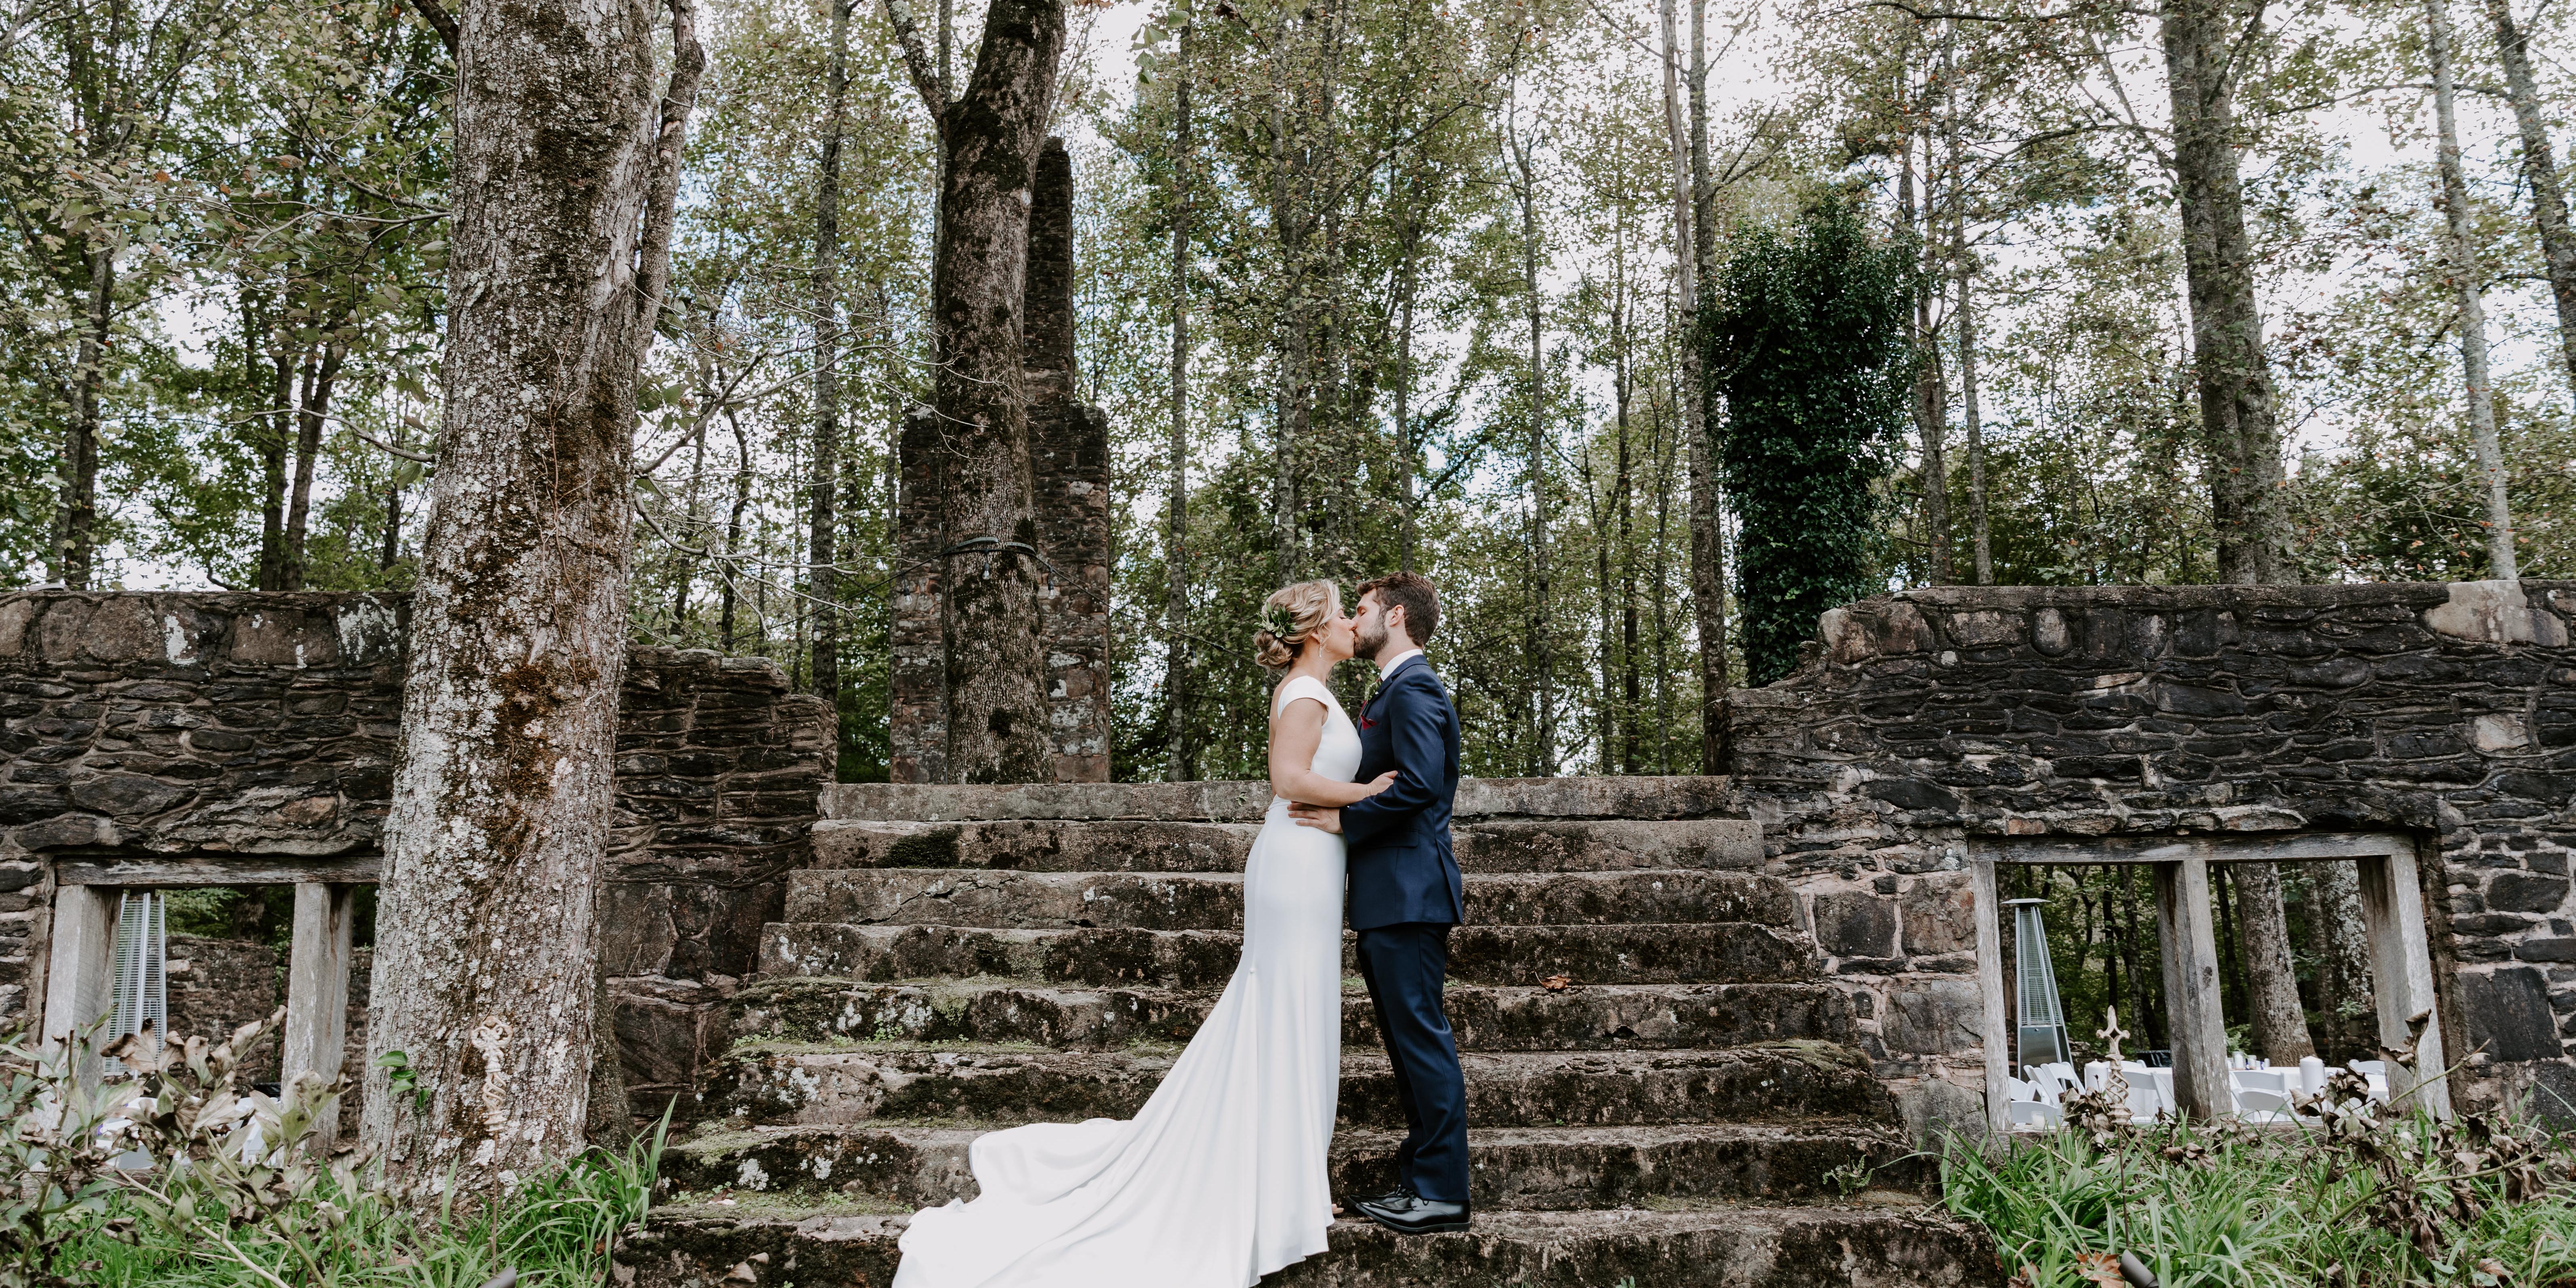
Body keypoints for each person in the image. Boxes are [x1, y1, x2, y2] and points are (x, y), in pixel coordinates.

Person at [891, 580, 1394, 1288]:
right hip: (1295, 867)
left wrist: (1346, 814)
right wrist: (1370, 796)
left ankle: (1285, 1174)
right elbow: (1288, 779)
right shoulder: (1304, 695)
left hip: (1314, 863)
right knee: (1283, 1007)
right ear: (1315, 630)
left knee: (1296, 1009)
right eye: (1342, 612)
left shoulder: (1319, 690)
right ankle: (1274, 1185)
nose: (1351, 623)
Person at [1287, 571, 1468, 1236]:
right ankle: (1421, 1180)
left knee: (1422, 1044)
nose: (1354, 619)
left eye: (1361, 609)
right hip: (1390, 896)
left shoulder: (1415, 687)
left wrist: (1345, 821)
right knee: (1408, 1045)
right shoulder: (1397, 688)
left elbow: (1420, 785)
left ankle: (1441, 1191)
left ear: (1393, 617)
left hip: (1409, 893)